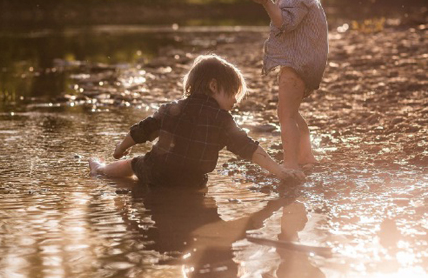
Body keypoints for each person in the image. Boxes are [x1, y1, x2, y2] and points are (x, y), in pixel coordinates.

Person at [89, 54, 304, 187]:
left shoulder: (171, 109)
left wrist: (120, 147)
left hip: (157, 173)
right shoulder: (222, 120)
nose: (235, 102)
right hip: (192, 182)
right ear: (213, 86)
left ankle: (100, 170)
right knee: (197, 190)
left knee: (133, 164)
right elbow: (250, 149)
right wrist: (281, 173)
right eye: (232, 94)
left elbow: (141, 131)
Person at [248, 0, 332, 171]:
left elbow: (284, 22)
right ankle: (306, 155)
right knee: (291, 112)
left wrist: (266, 1)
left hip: (298, 65)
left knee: (285, 115)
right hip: (303, 62)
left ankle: (291, 165)